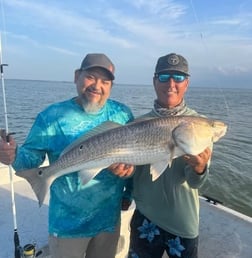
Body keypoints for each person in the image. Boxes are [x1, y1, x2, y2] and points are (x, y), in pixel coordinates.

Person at [0, 53, 135, 258]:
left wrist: (127, 192)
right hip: (67, 225)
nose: (97, 86)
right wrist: (13, 155)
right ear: (76, 76)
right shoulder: (51, 116)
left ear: (110, 86)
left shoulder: (122, 114)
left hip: (108, 222)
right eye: (91, 77)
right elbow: (32, 159)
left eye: (105, 81)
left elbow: (134, 156)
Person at [128, 53, 212, 258]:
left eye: (179, 77)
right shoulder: (137, 123)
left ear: (187, 83)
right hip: (145, 217)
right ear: (155, 81)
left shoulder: (200, 125)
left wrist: (200, 168)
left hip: (182, 222)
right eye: (164, 77)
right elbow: (132, 174)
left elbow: (194, 183)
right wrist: (124, 174)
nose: (171, 84)